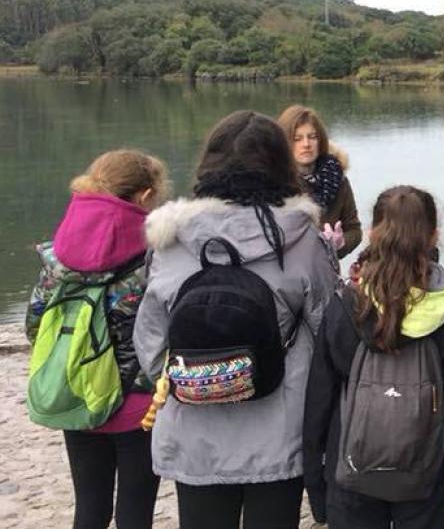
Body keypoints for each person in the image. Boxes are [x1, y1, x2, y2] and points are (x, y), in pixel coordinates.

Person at [133, 111, 337, 529]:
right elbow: (328, 333)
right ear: (281, 165)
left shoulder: (171, 242)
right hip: (280, 428)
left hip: (195, 426)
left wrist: (199, 379)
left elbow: (151, 343)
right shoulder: (303, 241)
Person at [303, 186, 444, 528]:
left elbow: (319, 401)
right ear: (433, 235)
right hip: (424, 473)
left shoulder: (346, 304)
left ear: (373, 234)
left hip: (350, 471)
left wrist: (317, 486)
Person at [25, 150, 169, 529]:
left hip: (77, 395)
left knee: (89, 507)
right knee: (136, 512)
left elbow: (35, 325)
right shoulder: (155, 253)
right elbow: (163, 331)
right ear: (144, 197)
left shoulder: (61, 251)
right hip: (138, 406)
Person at [277, 104, 362, 258]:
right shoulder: (274, 182)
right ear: (284, 142)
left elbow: (354, 229)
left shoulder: (337, 179)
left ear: (320, 140)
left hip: (326, 271)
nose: (306, 144)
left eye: (312, 137)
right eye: (297, 139)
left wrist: (340, 243)